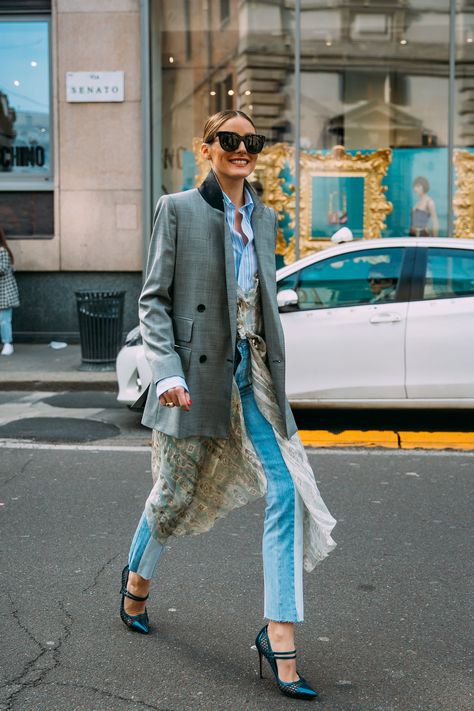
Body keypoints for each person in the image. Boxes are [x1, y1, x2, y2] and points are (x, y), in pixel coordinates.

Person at [119, 110, 337, 700]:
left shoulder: (265, 219)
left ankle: (279, 637)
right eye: (230, 141)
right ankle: (137, 579)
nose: (242, 150)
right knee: (174, 493)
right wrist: (165, 372)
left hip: (252, 376)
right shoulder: (179, 209)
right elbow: (153, 301)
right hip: (191, 379)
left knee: (286, 490)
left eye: (252, 142)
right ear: (207, 148)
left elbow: (260, 298)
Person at [0, 227, 20, 356]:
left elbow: (1, 269)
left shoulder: (2, 251)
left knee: (4, 320)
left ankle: (8, 343)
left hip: (4, 293)